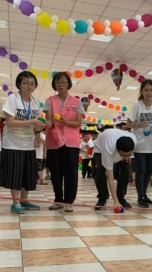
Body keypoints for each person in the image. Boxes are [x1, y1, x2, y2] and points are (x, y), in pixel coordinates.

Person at [0, 70, 45, 214]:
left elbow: (35, 124)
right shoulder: (13, 99)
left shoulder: (36, 102)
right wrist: (31, 122)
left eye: (32, 83)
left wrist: (38, 130)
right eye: (26, 83)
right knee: (15, 174)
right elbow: (10, 122)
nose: (29, 86)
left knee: (28, 174)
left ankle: (24, 200)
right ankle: (16, 202)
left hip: (29, 144)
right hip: (13, 143)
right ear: (19, 84)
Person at [43, 72, 84, 212]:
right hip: (54, 141)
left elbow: (78, 122)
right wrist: (45, 124)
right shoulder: (50, 100)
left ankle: (69, 201)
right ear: (54, 84)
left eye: (63, 82)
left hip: (71, 142)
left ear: (68, 84)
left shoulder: (77, 102)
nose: (60, 85)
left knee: (71, 172)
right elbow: (49, 120)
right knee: (55, 172)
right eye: (58, 82)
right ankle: (58, 200)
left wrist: (65, 122)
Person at [127, 79, 152, 208]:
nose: (149, 93)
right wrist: (137, 124)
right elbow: (128, 123)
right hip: (139, 144)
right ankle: (140, 197)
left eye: (151, 90)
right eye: (146, 90)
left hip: (151, 144)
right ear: (142, 91)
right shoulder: (137, 106)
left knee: (149, 171)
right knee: (141, 170)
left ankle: (144, 194)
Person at [93, 128, 137, 210]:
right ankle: (102, 198)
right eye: (123, 154)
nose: (125, 157)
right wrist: (115, 202)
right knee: (101, 172)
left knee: (125, 170)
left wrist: (128, 156)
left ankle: (121, 198)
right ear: (117, 150)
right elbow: (110, 178)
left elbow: (128, 153)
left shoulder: (134, 140)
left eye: (128, 154)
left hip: (120, 146)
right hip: (100, 150)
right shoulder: (108, 149)